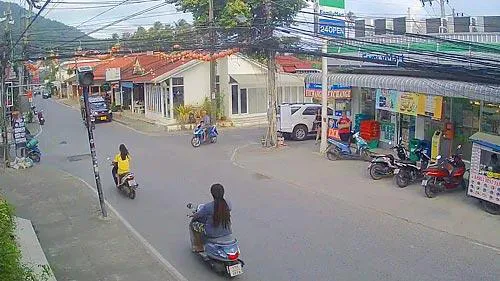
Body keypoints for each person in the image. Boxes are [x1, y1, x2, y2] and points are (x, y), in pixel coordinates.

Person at [190, 183, 232, 252]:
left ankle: (199, 246)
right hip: (227, 230)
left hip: (212, 233)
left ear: (212, 194)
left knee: (194, 225)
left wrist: (193, 216)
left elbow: (198, 215)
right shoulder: (228, 204)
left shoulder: (208, 207)